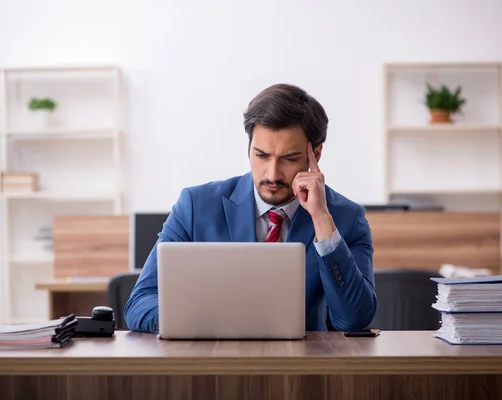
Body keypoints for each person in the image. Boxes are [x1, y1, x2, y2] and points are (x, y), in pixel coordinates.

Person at [124, 83, 377, 333]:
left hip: (301, 368)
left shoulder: (345, 218)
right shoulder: (195, 206)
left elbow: (353, 319)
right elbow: (140, 303)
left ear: (316, 155)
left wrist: (321, 219)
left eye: (289, 159)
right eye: (261, 155)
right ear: (249, 147)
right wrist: (195, 323)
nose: (272, 174)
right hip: (213, 364)